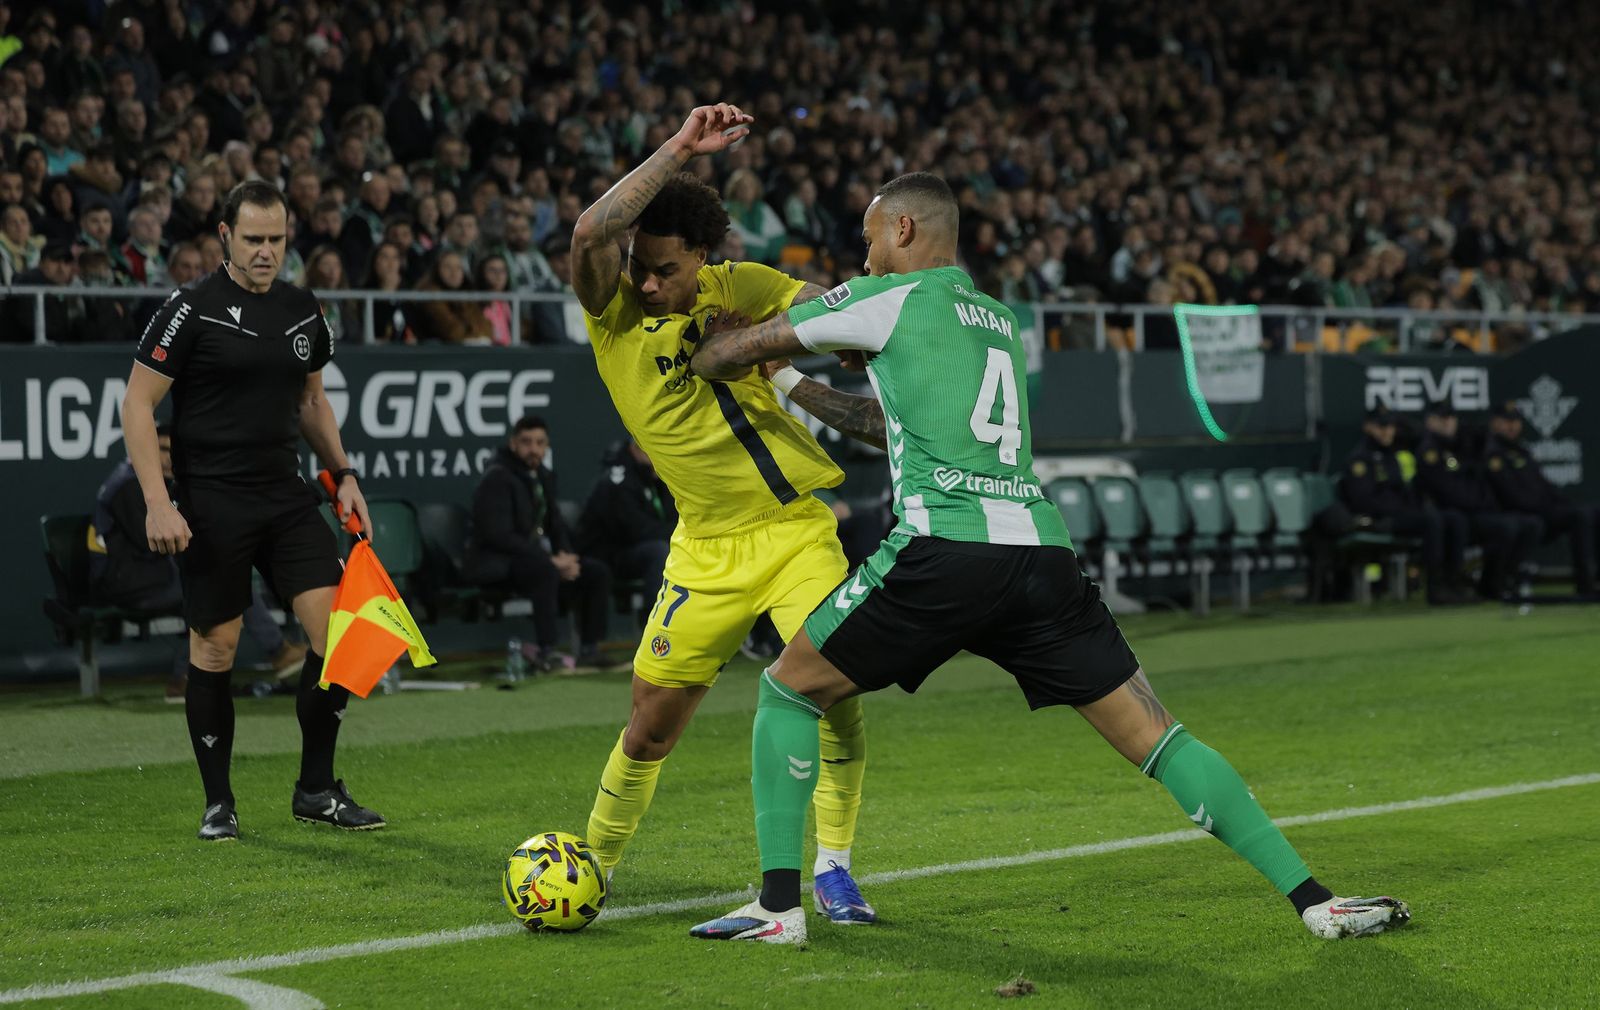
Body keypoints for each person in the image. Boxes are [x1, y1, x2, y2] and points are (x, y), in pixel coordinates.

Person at [685, 172, 1407, 945]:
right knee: (1159, 737)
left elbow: (720, 358)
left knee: (790, 691)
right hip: (1039, 555)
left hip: (947, 549)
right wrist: (794, 381)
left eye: (867, 238)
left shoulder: (882, 299)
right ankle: (1317, 902)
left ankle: (776, 908)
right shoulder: (999, 321)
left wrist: (726, 337)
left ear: (902, 230)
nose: (861, 257)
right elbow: (887, 428)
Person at [567, 102, 876, 925]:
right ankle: (589, 866)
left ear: (704, 259)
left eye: (666, 269)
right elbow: (592, 234)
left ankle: (835, 870)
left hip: (794, 532)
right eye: (642, 264)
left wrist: (769, 340)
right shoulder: (613, 314)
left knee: (833, 690)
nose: (648, 281)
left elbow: (848, 328)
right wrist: (677, 147)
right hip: (703, 549)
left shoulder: (743, 285)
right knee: (651, 727)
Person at [120, 179, 383, 842]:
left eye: (277, 240)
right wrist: (159, 501)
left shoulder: (301, 308)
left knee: (338, 640)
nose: (267, 252)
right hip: (213, 501)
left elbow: (311, 403)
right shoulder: (191, 307)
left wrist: (344, 474)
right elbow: (136, 404)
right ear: (226, 238)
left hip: (286, 494)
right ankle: (219, 803)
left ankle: (316, 789)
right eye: (255, 240)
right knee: (217, 648)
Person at [91, 424, 308, 702]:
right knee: (221, 588)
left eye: (174, 451)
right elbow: (159, 542)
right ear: (142, 448)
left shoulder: (145, 482)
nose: (169, 458)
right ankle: (272, 654)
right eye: (162, 450)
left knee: (224, 584)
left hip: (146, 575)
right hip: (128, 583)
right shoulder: (130, 485)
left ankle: (191, 677)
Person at [463, 415, 615, 670]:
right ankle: (548, 651)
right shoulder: (496, 477)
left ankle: (590, 650)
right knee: (543, 570)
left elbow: (555, 522)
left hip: (534, 560)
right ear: (513, 444)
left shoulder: (543, 476)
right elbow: (497, 535)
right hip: (498, 564)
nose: (533, 449)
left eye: (540, 443)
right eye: (526, 442)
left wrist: (567, 556)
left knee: (596, 572)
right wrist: (549, 560)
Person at [1338, 406, 1472, 604]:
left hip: (1400, 516)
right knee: (1431, 521)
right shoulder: (1360, 459)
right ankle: (1435, 588)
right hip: (1378, 520)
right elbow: (1363, 500)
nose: (1386, 432)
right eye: (1381, 427)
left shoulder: (1392, 455)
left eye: (1390, 426)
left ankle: (1454, 582)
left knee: (1455, 519)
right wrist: (1402, 508)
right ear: (1368, 428)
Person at [1413, 402, 1541, 599]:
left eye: (1451, 418)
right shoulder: (1429, 450)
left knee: (1528, 524)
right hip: (1452, 513)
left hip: (1474, 511)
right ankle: (1457, 583)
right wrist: (1480, 503)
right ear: (1430, 422)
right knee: (1495, 526)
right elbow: (1447, 491)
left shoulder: (1463, 444)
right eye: (1442, 419)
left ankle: (1502, 580)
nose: (1448, 423)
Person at [1483, 403, 1599, 596]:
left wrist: (1563, 503)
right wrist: (1545, 507)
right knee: (1578, 515)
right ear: (1494, 423)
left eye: (1515, 421)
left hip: (1541, 511)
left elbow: (1544, 486)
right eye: (1506, 421)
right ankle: (1585, 584)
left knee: (1591, 512)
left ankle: (1593, 579)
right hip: (1521, 514)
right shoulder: (1492, 453)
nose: (1512, 426)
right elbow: (1510, 496)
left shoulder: (1522, 450)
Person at [576, 437, 677, 607]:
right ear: (637, 447)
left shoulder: (651, 473)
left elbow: (670, 514)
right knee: (658, 551)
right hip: (606, 553)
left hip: (631, 548)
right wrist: (675, 532)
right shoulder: (618, 478)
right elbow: (635, 529)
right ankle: (655, 622)